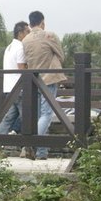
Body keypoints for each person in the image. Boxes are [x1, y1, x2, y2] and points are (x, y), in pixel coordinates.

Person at [22, 11, 66, 160]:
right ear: (42, 23)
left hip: (33, 81)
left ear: (30, 23)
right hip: (48, 79)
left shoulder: (25, 40)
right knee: (46, 115)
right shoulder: (49, 35)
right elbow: (61, 55)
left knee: (39, 115)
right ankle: (30, 144)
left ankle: (41, 152)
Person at [0, 21, 30, 135]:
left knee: (9, 118)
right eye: (27, 31)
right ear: (20, 33)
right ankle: (26, 144)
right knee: (27, 116)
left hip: (9, 88)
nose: (29, 34)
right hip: (19, 88)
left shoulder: (9, 47)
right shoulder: (20, 47)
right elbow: (21, 68)